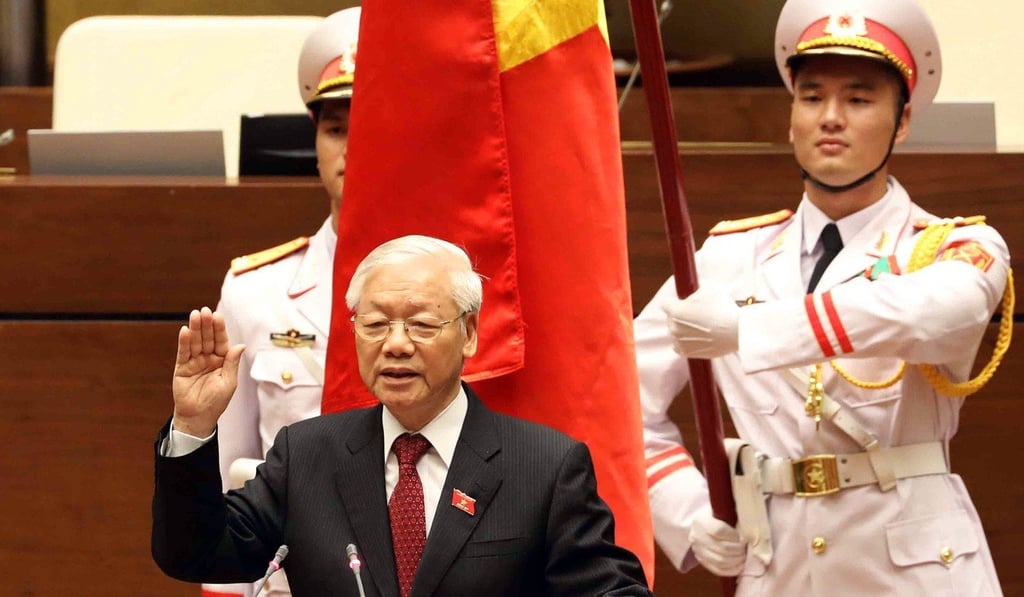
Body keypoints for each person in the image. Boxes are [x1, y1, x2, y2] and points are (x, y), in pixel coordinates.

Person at [636, 0, 1011, 594]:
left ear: (903, 121)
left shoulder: (954, 245)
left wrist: (749, 331)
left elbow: (940, 311)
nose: (830, 117)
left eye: (858, 100)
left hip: (916, 571)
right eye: (811, 97)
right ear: (791, 118)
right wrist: (687, 510)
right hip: (780, 567)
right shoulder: (728, 258)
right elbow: (625, 393)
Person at [153, 235, 654, 596]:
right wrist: (193, 425)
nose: (395, 344)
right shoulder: (306, 455)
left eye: (420, 324)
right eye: (374, 324)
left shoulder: (543, 466)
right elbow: (195, 553)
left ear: (471, 333)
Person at [205, 9, 359, 596]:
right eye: (336, 128)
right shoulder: (256, 290)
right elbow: (228, 480)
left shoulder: (461, 290)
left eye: (371, 125)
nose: (350, 147)